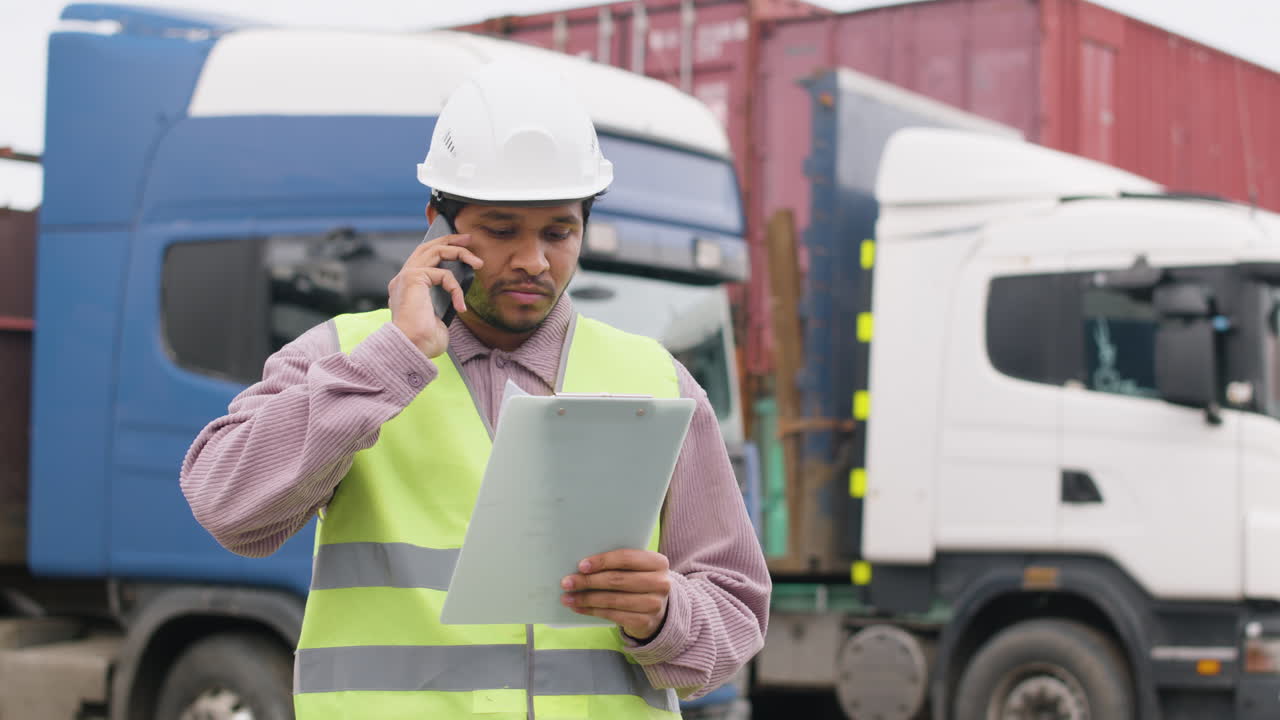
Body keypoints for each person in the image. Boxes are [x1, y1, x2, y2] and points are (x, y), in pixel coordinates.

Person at [180, 61, 770, 720]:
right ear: (437, 222)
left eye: (558, 232)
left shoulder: (656, 380)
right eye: (500, 228)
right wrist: (391, 361)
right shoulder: (346, 357)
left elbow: (734, 611)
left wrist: (664, 616)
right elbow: (225, 505)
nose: (533, 260)